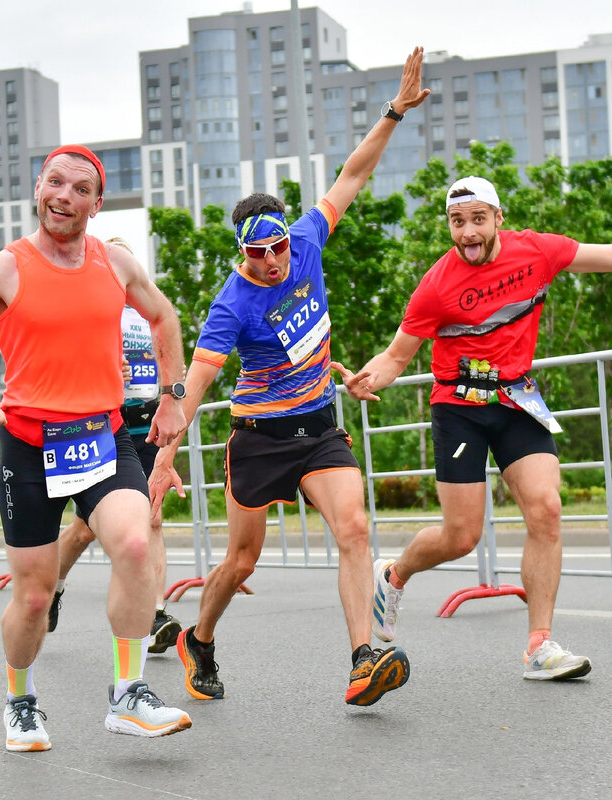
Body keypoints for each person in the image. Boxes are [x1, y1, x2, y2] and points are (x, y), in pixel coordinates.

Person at [335, 175, 612, 680]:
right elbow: (397, 356)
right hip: (459, 406)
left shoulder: (537, 251)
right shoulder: (436, 285)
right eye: (456, 222)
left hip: (516, 398)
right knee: (461, 536)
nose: (467, 231)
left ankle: (540, 644)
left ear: (498, 219)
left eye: (477, 219)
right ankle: (395, 574)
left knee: (547, 508)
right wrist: (366, 378)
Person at [148, 47, 430, 707]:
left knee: (354, 529)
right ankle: (201, 640)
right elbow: (197, 382)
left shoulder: (306, 238)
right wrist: (163, 457)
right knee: (242, 562)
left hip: (319, 429)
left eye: (278, 248)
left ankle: (364, 657)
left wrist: (393, 110)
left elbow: (354, 174)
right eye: (258, 253)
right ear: (240, 252)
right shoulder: (232, 306)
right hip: (258, 437)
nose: (274, 261)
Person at [0, 143, 192, 751]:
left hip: (104, 436)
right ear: (38, 190)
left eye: (80, 189)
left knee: (136, 541)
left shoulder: (114, 263)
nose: (65, 196)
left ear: (96, 203)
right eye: (55, 183)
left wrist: (173, 397)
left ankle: (128, 695)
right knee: (34, 597)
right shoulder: (4, 268)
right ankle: (21, 700)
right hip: (31, 446)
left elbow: (164, 319)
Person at [49, 237, 183, 655]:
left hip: (145, 421)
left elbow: (170, 354)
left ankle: (155, 610)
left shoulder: (148, 313)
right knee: (85, 529)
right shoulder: (89, 308)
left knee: (153, 518)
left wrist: (170, 400)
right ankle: (54, 585)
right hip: (104, 422)